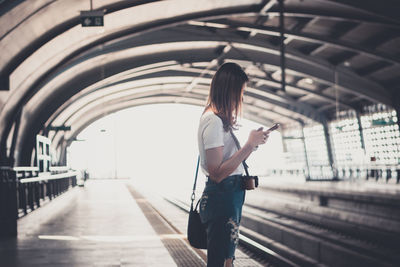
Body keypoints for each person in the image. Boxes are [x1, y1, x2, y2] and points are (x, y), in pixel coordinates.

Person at [198, 62, 270, 267]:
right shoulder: (213, 121)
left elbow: (229, 161)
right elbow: (217, 173)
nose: (241, 98)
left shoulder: (217, 120)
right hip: (222, 195)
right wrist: (249, 144)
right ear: (230, 91)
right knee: (220, 260)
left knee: (226, 259)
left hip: (228, 196)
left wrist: (253, 145)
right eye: (241, 92)